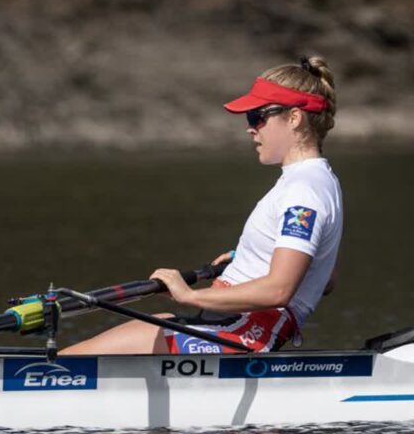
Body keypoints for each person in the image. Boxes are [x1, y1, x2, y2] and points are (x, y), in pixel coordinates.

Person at [61, 56, 340, 355]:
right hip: (228, 319)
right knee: (77, 352)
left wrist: (189, 295)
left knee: (69, 362)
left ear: (295, 118)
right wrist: (247, 258)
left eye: (257, 116)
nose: (250, 128)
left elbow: (279, 290)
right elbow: (325, 279)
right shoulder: (314, 181)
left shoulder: (304, 191)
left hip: (243, 330)